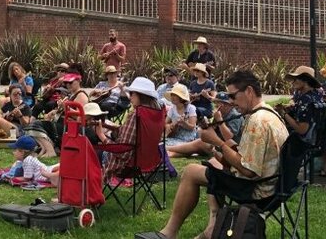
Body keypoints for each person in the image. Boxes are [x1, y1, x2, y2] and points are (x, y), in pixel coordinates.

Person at [136, 70, 289, 239]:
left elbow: (248, 170)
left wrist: (218, 142)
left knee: (191, 171)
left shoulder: (257, 121)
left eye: (233, 96)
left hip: (257, 190)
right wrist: (220, 151)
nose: (231, 102)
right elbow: (251, 158)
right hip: (276, 186)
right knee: (213, 163)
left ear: (249, 91)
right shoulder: (271, 114)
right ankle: (212, 225)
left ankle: (169, 233)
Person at [102, 77, 164, 181]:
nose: (129, 97)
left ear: (141, 96)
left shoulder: (137, 114)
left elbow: (123, 152)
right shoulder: (156, 113)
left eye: (132, 94)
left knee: (96, 150)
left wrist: (100, 134)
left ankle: (95, 185)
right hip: (151, 162)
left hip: (128, 165)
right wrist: (107, 126)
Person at [167, 92, 244, 159]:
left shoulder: (235, 116)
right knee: (201, 138)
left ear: (230, 105)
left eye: (224, 104)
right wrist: (205, 125)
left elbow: (229, 137)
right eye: (218, 103)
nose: (220, 105)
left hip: (231, 149)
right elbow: (213, 131)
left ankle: (167, 148)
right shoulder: (220, 113)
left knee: (201, 143)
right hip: (219, 144)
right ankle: (169, 153)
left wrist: (219, 120)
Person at [276, 66, 324, 144]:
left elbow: (302, 130)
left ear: (306, 80)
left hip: (307, 141)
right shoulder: (317, 94)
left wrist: (283, 113)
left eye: (296, 79)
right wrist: (292, 107)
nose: (293, 82)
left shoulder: (306, 99)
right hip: (320, 137)